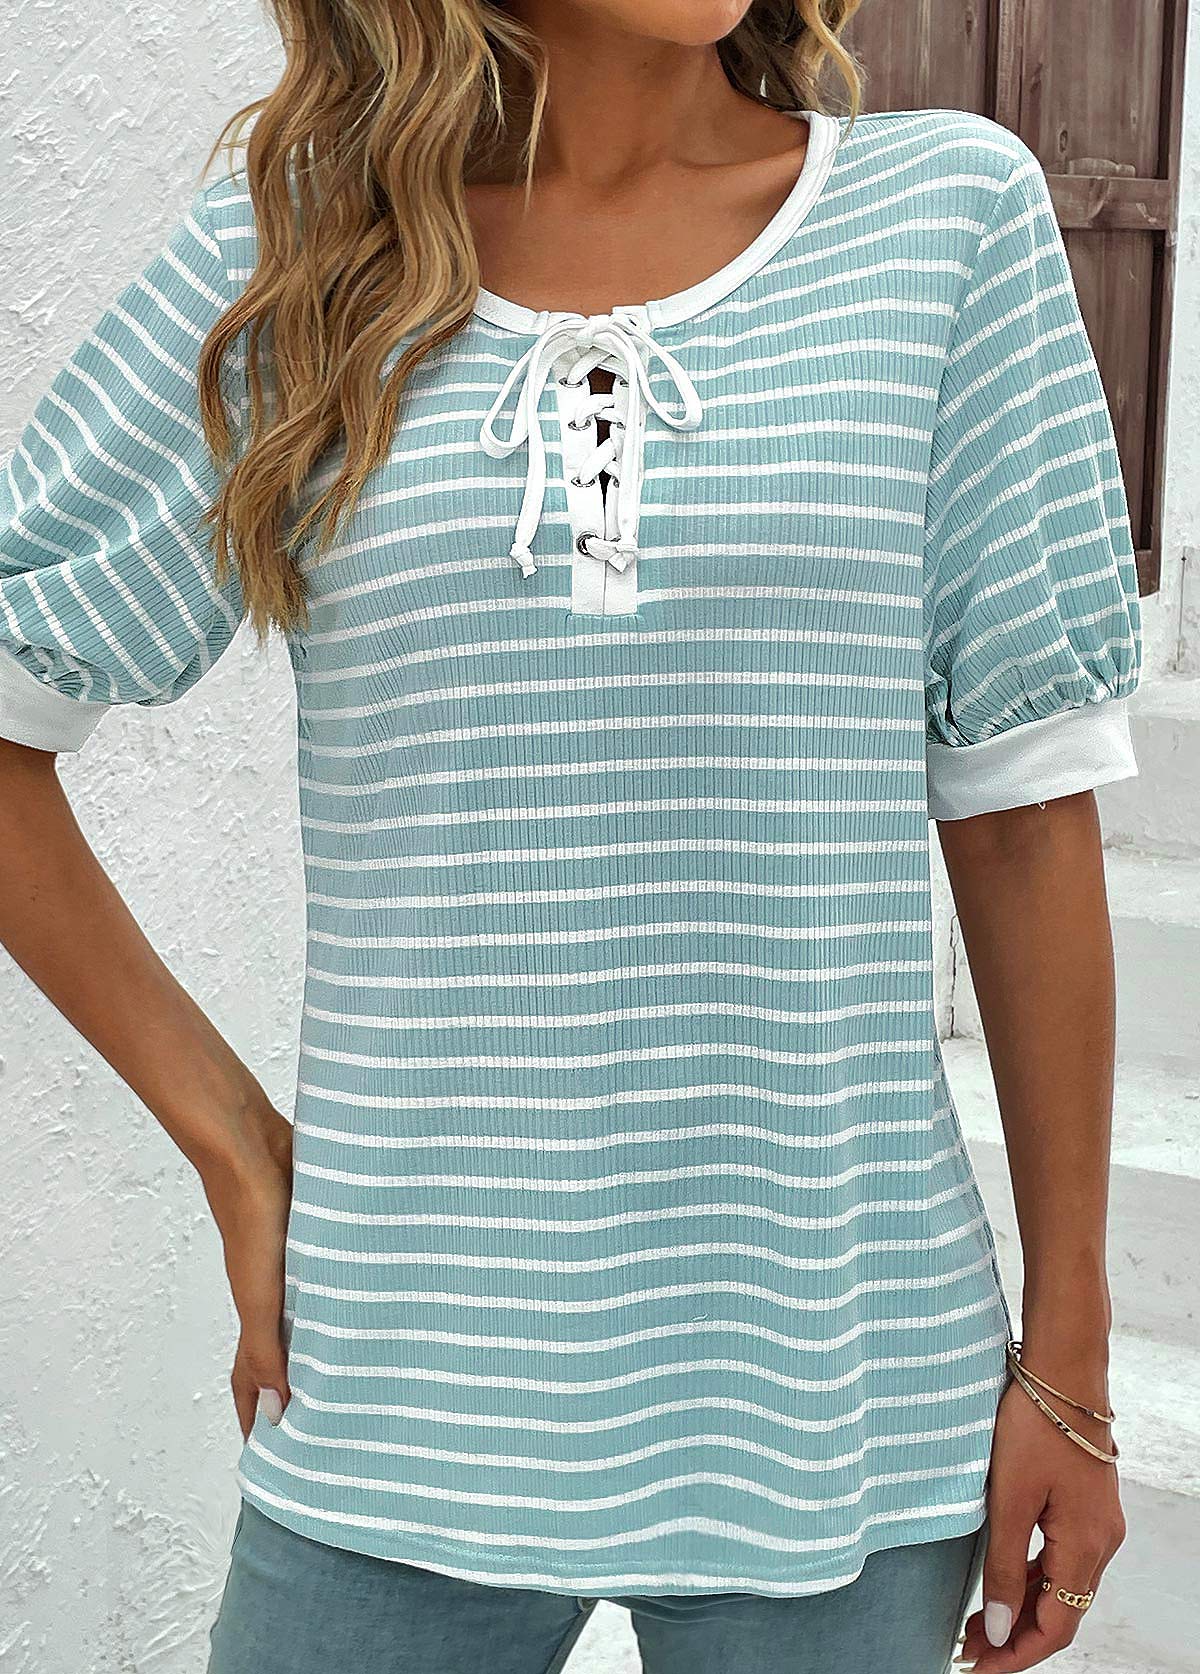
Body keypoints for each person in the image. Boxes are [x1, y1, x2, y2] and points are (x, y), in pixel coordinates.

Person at [0, 2, 1136, 1671]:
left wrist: (1070, 1359)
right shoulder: (304, 252)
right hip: (395, 1385)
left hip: (836, 1387)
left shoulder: (943, 224)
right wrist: (237, 1145)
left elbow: (1025, 824)